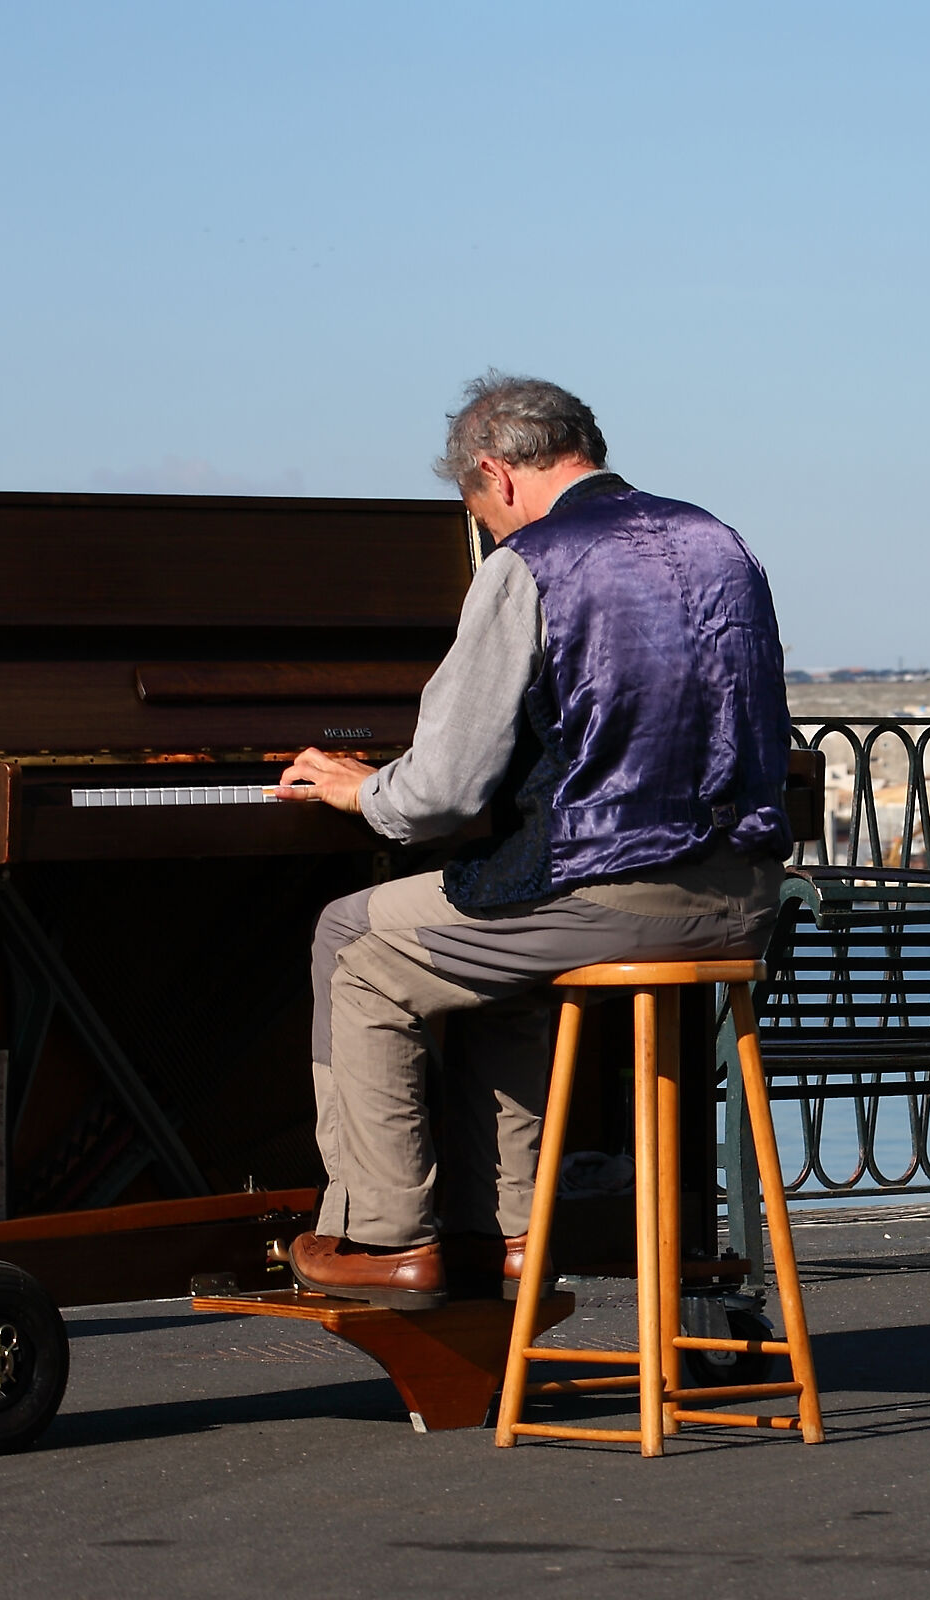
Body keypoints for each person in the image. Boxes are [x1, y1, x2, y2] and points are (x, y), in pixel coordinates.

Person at [275, 373, 792, 1306]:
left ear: (493, 476)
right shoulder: (721, 541)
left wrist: (362, 794)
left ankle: (384, 1239)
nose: (487, 530)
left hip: (614, 896)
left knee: (351, 940)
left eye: (477, 510)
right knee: (494, 947)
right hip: (745, 894)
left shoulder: (532, 563)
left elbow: (439, 791)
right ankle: (510, 1233)